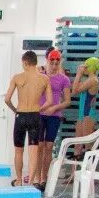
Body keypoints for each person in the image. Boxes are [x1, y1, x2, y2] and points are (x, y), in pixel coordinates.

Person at [3, 51, 47, 184]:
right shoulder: (44, 79)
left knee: (18, 150)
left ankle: (19, 180)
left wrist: (15, 110)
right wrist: (40, 109)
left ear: (25, 63)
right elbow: (50, 101)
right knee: (33, 151)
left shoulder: (17, 77)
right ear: (36, 62)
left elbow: (7, 99)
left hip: (20, 115)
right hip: (35, 115)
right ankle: (32, 181)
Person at [35, 50, 71, 186]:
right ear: (47, 60)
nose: (54, 65)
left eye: (57, 63)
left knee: (49, 146)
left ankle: (44, 177)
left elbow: (67, 101)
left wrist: (55, 108)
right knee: (39, 146)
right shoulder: (40, 75)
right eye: (52, 62)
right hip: (40, 114)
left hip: (54, 116)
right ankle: (37, 177)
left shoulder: (64, 79)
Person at [72, 56, 99, 137]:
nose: (84, 68)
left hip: (87, 115)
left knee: (87, 147)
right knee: (78, 146)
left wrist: (79, 74)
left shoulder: (92, 80)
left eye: (86, 66)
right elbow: (75, 87)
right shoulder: (90, 80)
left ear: (90, 68)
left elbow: (74, 91)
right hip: (83, 114)